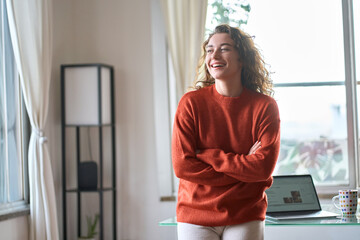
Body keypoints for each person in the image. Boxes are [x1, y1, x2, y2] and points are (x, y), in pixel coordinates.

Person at [171, 24, 281, 240]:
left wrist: (210, 156)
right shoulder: (190, 104)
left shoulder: (265, 106)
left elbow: (262, 168)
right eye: (210, 49)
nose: (214, 55)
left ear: (242, 58)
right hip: (195, 214)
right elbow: (183, 166)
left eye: (225, 48)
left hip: (245, 212)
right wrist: (243, 168)